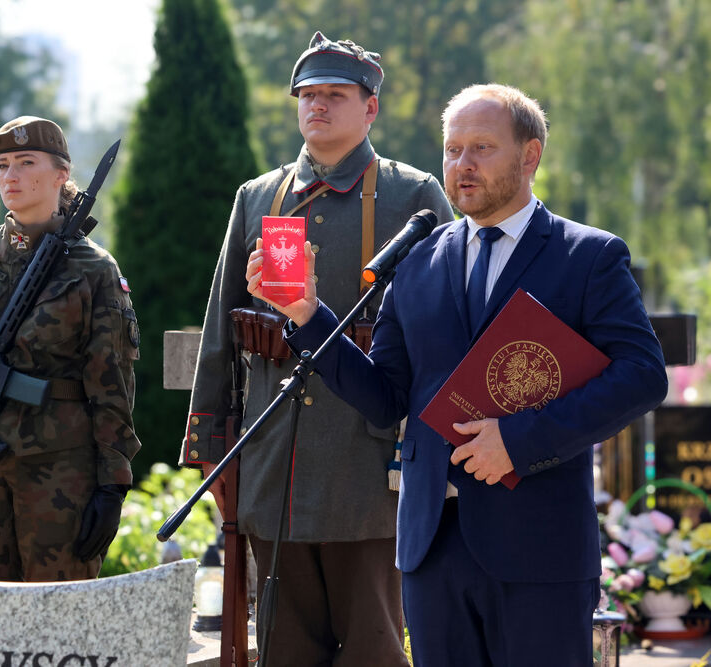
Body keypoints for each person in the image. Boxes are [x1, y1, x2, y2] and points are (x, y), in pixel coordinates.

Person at [248, 83, 669, 666]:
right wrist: (307, 317)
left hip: (538, 550)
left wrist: (518, 442)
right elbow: (386, 397)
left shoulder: (587, 256)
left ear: (530, 156)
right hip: (432, 546)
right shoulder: (418, 260)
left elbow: (643, 375)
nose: (461, 165)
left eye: (481, 148)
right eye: (452, 150)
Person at [180, 32, 452, 666]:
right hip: (272, 461)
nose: (318, 106)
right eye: (308, 94)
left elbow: (442, 336)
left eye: (336, 94)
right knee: (282, 647)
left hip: (368, 465)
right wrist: (212, 450)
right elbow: (222, 328)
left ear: (371, 108)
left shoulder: (414, 197)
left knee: (374, 645)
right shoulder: (258, 197)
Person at [0, 116, 141, 582]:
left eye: (25, 162)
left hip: (59, 471)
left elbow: (111, 381)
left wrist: (112, 483)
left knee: (59, 620)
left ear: (61, 174)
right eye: (2, 165)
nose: (10, 176)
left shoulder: (94, 268)